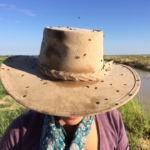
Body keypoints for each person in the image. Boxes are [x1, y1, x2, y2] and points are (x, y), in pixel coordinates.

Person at [0, 27, 140, 150]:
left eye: (86, 91)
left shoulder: (112, 120)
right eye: (63, 92)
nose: (74, 105)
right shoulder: (19, 133)